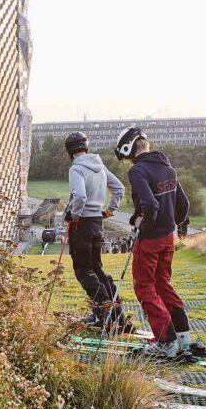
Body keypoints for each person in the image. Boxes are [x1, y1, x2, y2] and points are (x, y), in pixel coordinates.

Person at [114, 127, 202, 359]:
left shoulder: (138, 170)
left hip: (150, 239)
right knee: (163, 284)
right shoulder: (168, 168)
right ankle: (183, 336)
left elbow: (150, 206)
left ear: (129, 149)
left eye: (127, 157)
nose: (128, 161)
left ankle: (166, 342)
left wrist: (144, 226)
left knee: (144, 287)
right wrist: (169, 224)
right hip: (167, 237)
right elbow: (183, 206)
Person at [64, 131, 133, 332]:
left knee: (84, 271)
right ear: (86, 146)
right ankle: (117, 316)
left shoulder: (76, 169)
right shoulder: (99, 166)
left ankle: (106, 316)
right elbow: (119, 188)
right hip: (97, 223)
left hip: (82, 224)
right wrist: (110, 210)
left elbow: (80, 196)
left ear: (69, 150)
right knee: (97, 269)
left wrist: (73, 215)